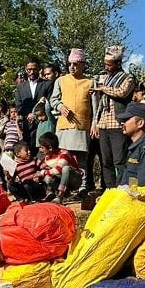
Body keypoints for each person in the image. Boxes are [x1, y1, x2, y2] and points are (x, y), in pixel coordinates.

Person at [50, 48, 94, 196]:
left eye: (76, 64)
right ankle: (64, 188)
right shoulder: (61, 80)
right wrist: (60, 107)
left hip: (82, 126)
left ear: (83, 64)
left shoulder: (89, 82)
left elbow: (95, 106)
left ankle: (82, 187)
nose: (72, 67)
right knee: (63, 159)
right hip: (64, 126)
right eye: (70, 64)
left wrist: (94, 124)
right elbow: (53, 100)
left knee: (81, 160)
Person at [92, 45, 135, 189]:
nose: (107, 67)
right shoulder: (105, 79)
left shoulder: (127, 78)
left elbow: (121, 93)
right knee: (106, 161)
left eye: (109, 65)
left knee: (120, 160)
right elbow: (100, 104)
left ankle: (123, 189)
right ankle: (110, 189)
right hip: (104, 124)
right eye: (105, 64)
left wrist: (103, 88)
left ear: (118, 63)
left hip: (118, 124)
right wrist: (96, 122)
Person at [16, 56, 53, 150]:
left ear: (39, 69)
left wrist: (35, 114)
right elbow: (19, 106)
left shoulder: (47, 84)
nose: (32, 72)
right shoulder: (20, 87)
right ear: (25, 69)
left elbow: (49, 103)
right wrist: (28, 115)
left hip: (43, 125)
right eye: (29, 70)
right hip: (27, 128)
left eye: (34, 69)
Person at [38, 132, 83, 204]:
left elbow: (57, 170)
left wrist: (42, 173)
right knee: (47, 178)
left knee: (65, 169)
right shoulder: (47, 157)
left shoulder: (64, 154)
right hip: (63, 181)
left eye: (42, 147)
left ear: (50, 148)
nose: (41, 150)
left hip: (74, 180)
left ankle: (60, 195)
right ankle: (66, 195)